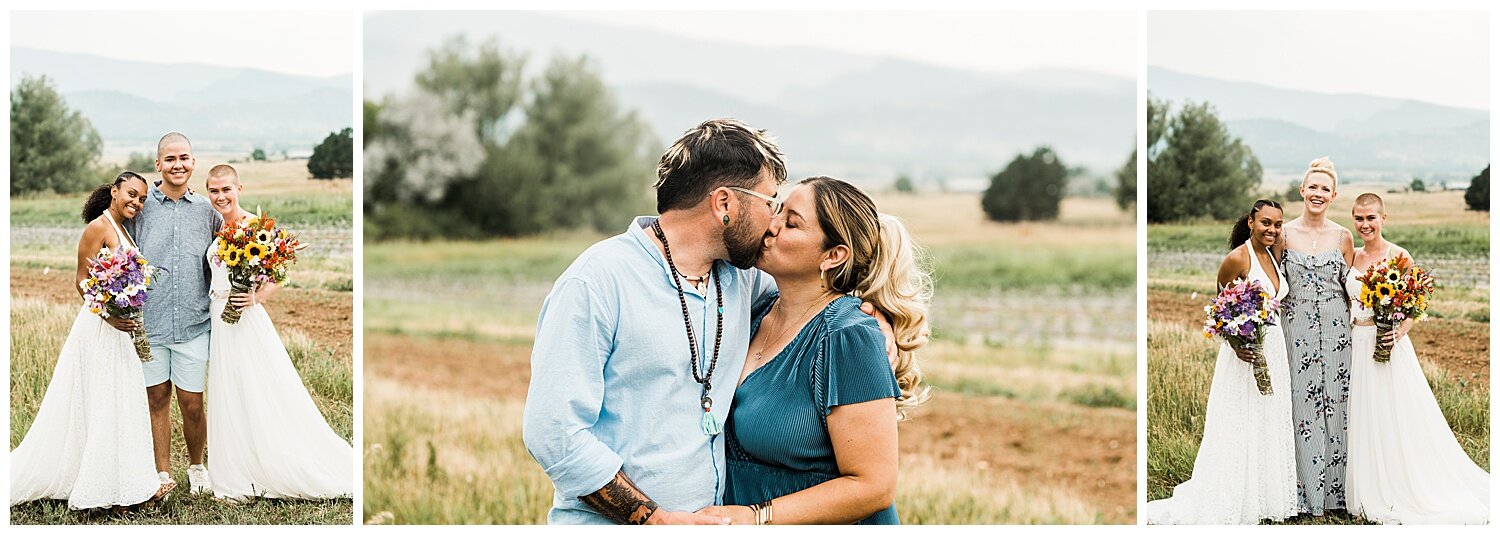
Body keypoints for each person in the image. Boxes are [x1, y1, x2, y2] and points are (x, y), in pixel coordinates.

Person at [522, 119, 893, 525]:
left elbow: (812, 303)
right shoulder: (597, 281)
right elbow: (554, 434)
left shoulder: (741, 279)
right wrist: (656, 520)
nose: (772, 220)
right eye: (770, 201)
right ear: (724, 205)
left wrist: (873, 318)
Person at [704, 176, 930, 524]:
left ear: (833, 256)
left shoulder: (849, 336)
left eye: (791, 223)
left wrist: (756, 517)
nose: (771, 225)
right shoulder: (754, 311)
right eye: (776, 211)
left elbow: (874, 486)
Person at [11, 172, 174, 509]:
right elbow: (81, 280)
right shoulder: (98, 228)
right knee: (103, 400)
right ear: (114, 191)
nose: (137, 202)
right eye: (131, 194)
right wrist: (110, 314)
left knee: (120, 401)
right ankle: (102, 487)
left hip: (122, 330)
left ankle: (124, 483)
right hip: (100, 328)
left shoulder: (123, 228)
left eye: (142, 198)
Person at [201, 164, 353, 500]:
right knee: (229, 388)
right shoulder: (214, 226)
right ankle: (236, 466)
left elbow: (278, 272)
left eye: (226, 189)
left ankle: (272, 462)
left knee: (257, 385)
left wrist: (254, 297)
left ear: (239, 188)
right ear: (207, 192)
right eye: (214, 190)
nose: (221, 196)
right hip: (218, 316)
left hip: (246, 316)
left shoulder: (255, 228)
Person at [1148, 199, 1298, 524]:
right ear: (1250, 223)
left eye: (1277, 224)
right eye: (1265, 223)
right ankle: (1232, 498)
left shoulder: (1274, 254)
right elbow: (1221, 311)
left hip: (1274, 350)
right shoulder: (1236, 259)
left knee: (1267, 421)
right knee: (1240, 423)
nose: (1271, 229)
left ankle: (1264, 499)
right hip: (1245, 356)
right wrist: (1238, 345)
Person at [1343, 193, 1489, 524]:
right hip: (1357, 341)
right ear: (1353, 220)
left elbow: (1418, 301)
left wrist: (1400, 332)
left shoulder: (1398, 255)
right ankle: (1366, 483)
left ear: (1383, 218)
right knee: (1363, 411)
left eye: (1371, 218)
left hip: (1389, 344)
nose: (1365, 224)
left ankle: (1401, 483)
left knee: (1394, 412)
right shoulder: (1351, 255)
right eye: (1358, 218)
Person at [124, 132, 223, 494]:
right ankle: (162, 474)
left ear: (193, 162)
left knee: (192, 402)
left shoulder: (208, 212)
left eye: (184, 158)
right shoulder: (141, 208)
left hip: (194, 323)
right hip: (150, 323)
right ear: (158, 165)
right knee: (156, 398)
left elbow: (220, 262)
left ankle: (197, 466)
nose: (177, 165)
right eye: (170, 159)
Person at [1275, 157, 1355, 515]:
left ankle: (1337, 495)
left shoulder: (1343, 237)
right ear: (1301, 190)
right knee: (1301, 407)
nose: (1318, 193)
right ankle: (1303, 492)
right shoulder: (1284, 234)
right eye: (1313, 187)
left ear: (1334, 195)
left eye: (1325, 189)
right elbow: (1273, 284)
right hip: (1295, 329)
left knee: (1337, 405)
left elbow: (1352, 288)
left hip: (1338, 332)